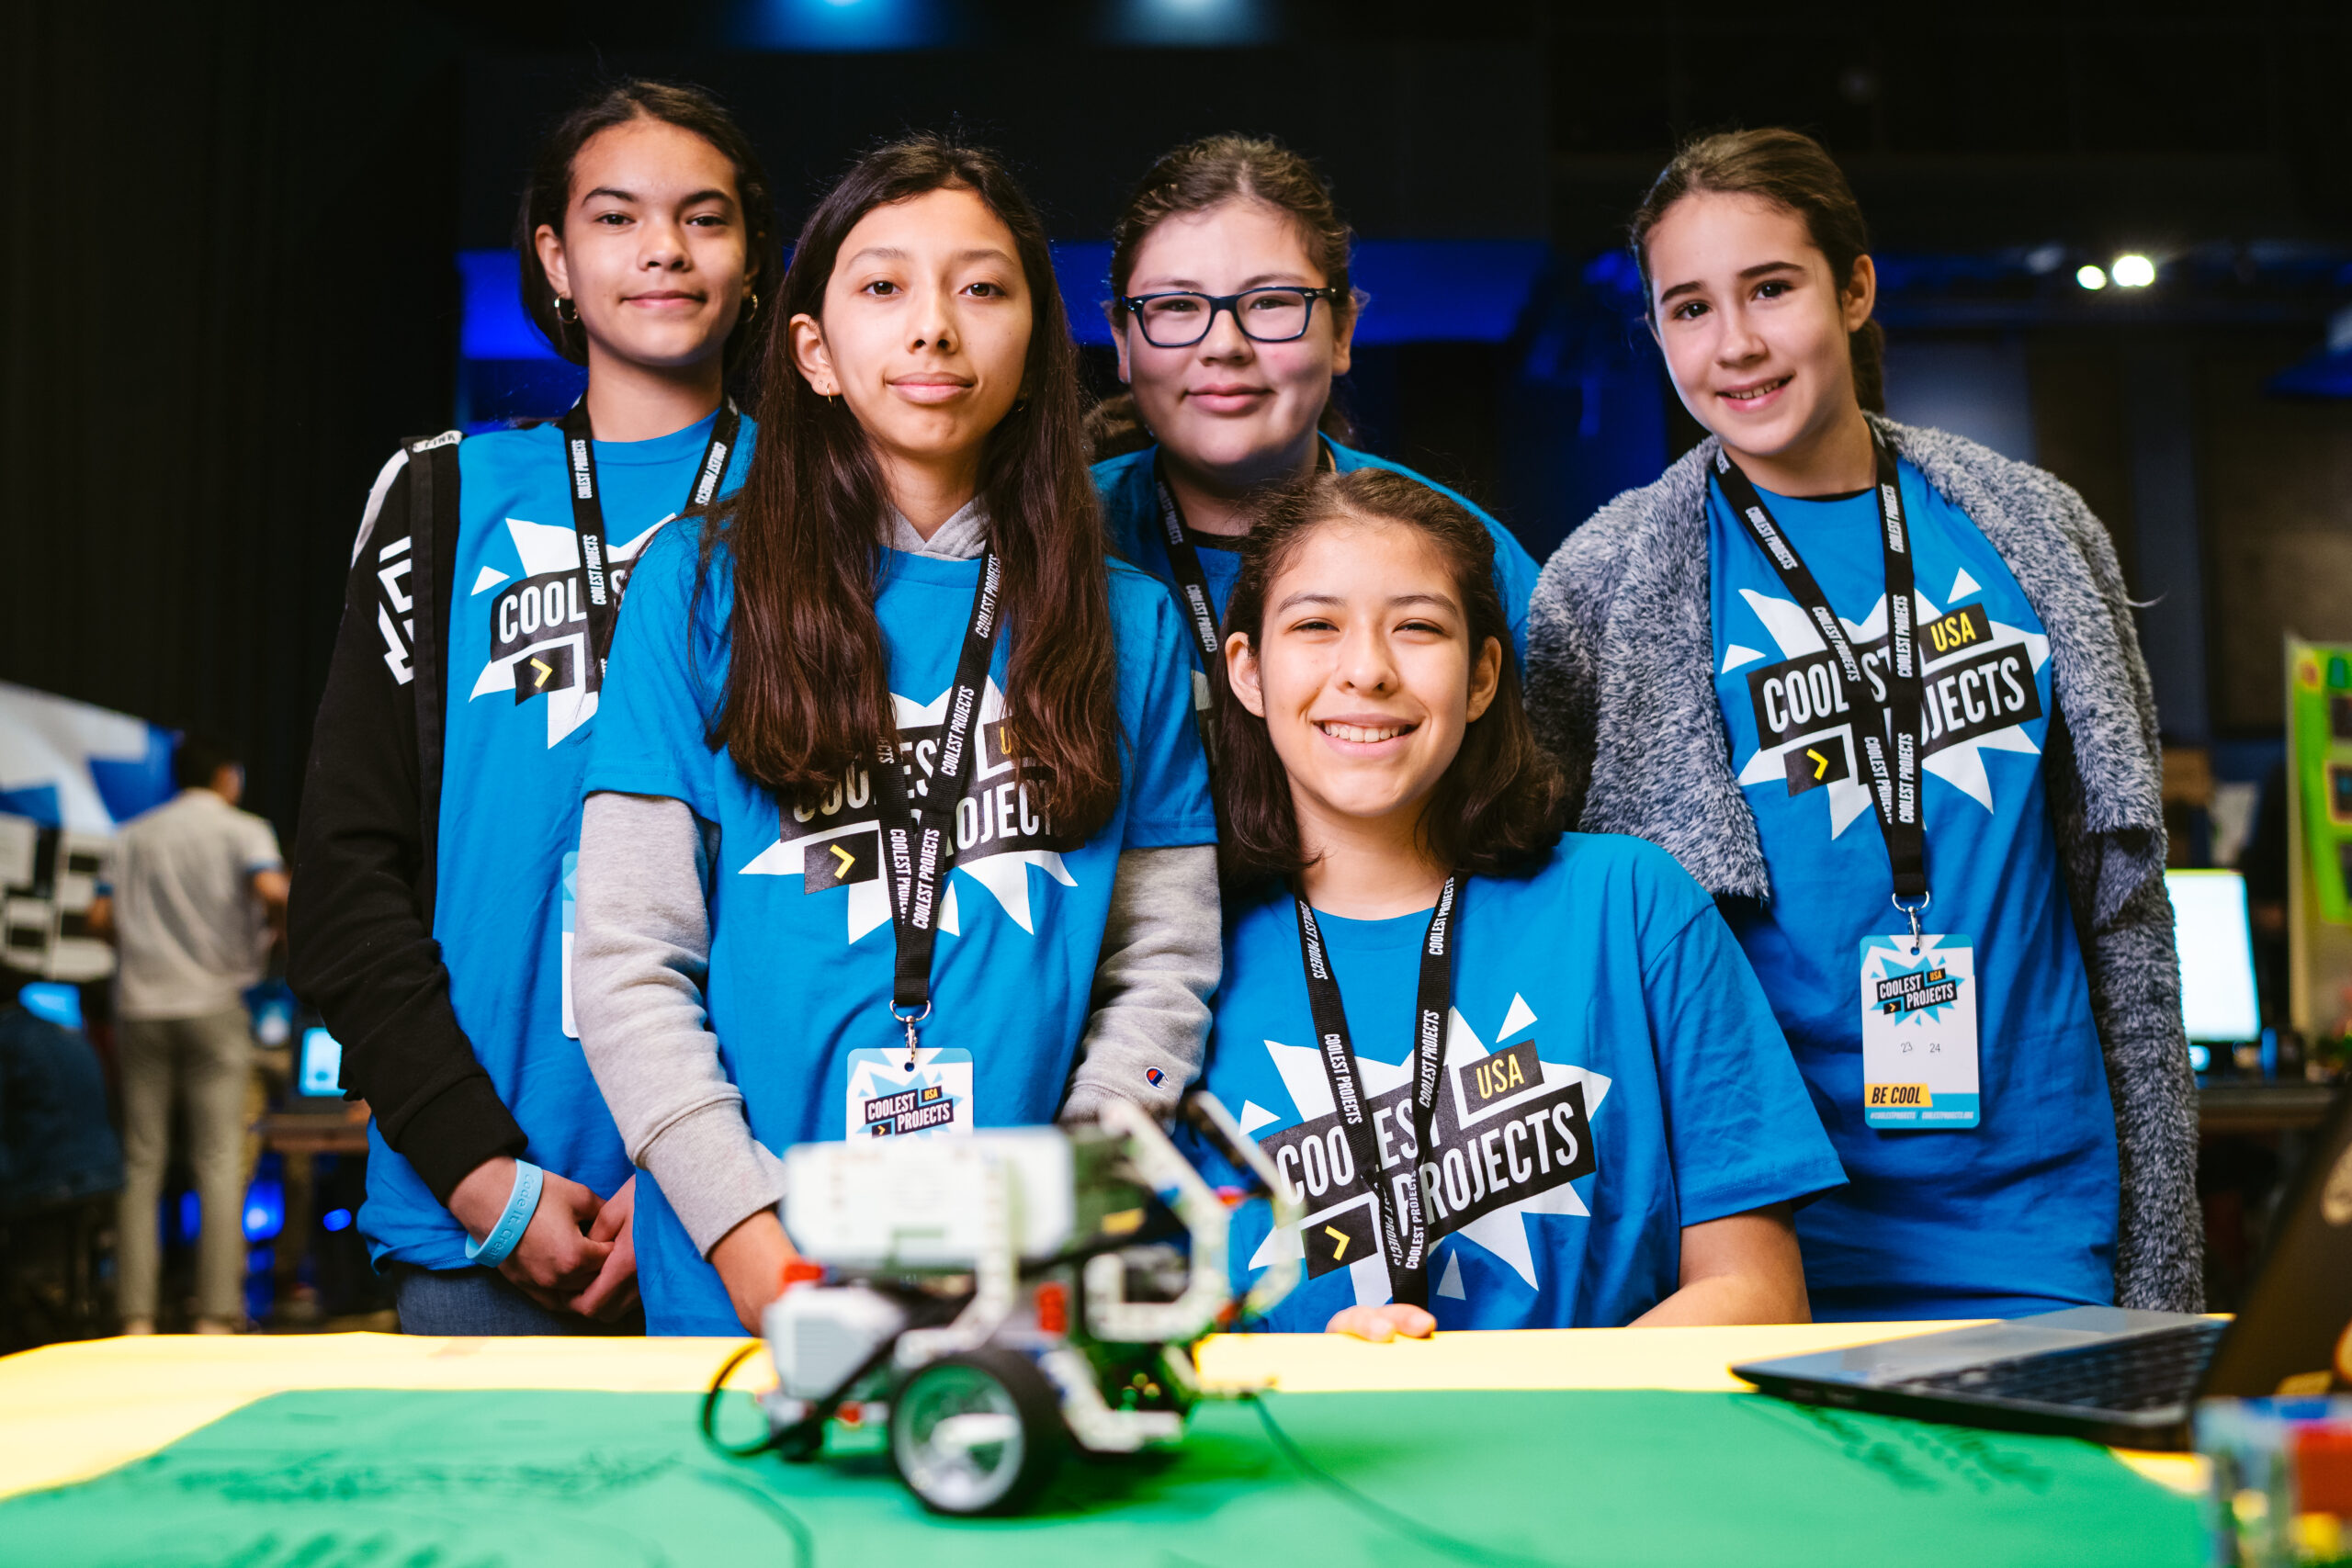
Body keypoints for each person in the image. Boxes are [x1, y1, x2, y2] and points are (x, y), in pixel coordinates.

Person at [1524, 130, 2199, 1321]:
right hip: (1765, 1242)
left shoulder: (2031, 529)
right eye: (1689, 306)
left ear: (1854, 287)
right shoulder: (1607, 582)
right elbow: (1568, 938)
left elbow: (2123, 906)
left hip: (2040, 1220)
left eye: (1770, 287)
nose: (1732, 342)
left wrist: (2162, 1253)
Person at [572, 135, 1219, 1336]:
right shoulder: (696, 586)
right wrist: (758, 1254)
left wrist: (1064, 1217)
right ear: (814, 351)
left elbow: (1162, 969)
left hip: (1028, 1289)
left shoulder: (1129, 622)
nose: (935, 327)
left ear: (1033, 348)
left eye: (982, 287)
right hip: (743, 1288)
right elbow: (627, 961)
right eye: (883, 287)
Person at [288, 79, 773, 1334]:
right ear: (554, 258)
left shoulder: (827, 515)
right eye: (616, 218)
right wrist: (479, 1170)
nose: (663, 249)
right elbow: (347, 882)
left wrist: (704, 1186)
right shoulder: (444, 499)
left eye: (703, 217)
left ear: (754, 257)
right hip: (483, 1210)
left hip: (753, 1216)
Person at [1192, 468, 1843, 1339]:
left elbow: (1758, 1294)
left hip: (1591, 1462)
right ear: (1247, 671)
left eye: (1418, 627)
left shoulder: (1633, 905)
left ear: (1484, 675)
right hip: (1299, 1459)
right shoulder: (1179, 956)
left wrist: (1514, 1413)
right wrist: (1317, 1377)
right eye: (1316, 626)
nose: (1368, 671)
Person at [1088, 135, 1541, 752]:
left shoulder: (1464, 554)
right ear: (1122, 340)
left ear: (1343, 332)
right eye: (1176, 305)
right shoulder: (1046, 537)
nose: (1224, 344)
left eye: (1272, 301)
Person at [96, 735, 285, 1334]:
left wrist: (145, 950)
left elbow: (97, 916)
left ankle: (135, 1318)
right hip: (213, 1003)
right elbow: (272, 892)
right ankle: (215, 1315)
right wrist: (272, 934)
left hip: (141, 1006)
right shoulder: (243, 829)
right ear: (227, 775)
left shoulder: (132, 834)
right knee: (220, 1158)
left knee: (141, 1161)